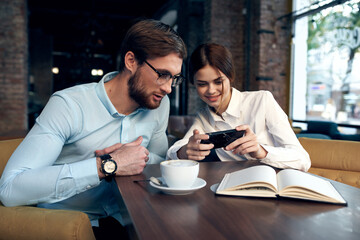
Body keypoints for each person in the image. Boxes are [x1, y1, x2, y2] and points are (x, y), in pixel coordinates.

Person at [0, 19, 187, 238]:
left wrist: (138, 158)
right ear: (131, 61)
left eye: (174, 79)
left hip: (130, 219)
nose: (168, 88)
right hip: (71, 226)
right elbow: (11, 189)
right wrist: (106, 165)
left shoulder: (158, 104)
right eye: (162, 74)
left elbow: (158, 162)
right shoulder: (68, 105)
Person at [167, 43, 310, 171]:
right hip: (234, 187)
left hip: (275, 184)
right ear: (194, 84)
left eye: (218, 82)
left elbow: (303, 160)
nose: (211, 90)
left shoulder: (262, 101)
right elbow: (172, 153)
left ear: (230, 77)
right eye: (202, 84)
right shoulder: (204, 117)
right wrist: (184, 151)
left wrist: (261, 151)